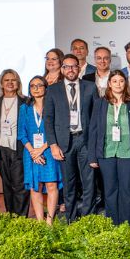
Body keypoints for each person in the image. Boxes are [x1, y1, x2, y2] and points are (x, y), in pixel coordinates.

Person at [45, 54, 97, 221]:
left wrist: (95, 143)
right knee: (69, 184)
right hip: (64, 142)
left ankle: (88, 218)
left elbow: (96, 116)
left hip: (85, 140)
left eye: (74, 66)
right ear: (62, 69)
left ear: (79, 68)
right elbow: (48, 119)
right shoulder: (53, 90)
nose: (71, 69)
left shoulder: (90, 87)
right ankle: (71, 219)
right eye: (67, 67)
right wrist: (53, 144)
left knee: (89, 182)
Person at [88, 70, 130, 225]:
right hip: (106, 152)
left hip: (128, 153)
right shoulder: (100, 103)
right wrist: (92, 156)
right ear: (109, 83)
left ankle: (129, 225)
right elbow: (93, 129)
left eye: (121, 81)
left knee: (127, 190)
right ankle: (113, 225)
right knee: (109, 191)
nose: (118, 84)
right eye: (114, 81)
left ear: (125, 83)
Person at [19, 76, 62, 224]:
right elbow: (22, 134)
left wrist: (41, 149)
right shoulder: (24, 108)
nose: (36, 88)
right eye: (32, 86)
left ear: (46, 88)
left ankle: (49, 221)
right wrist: (33, 152)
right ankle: (39, 221)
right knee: (35, 187)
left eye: (39, 85)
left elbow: (57, 130)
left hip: (49, 150)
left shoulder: (53, 106)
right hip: (31, 153)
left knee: (51, 184)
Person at [0, 69, 29, 216]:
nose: (10, 83)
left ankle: (21, 219)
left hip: (19, 148)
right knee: (7, 185)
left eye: (13, 80)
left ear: (18, 83)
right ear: (1, 83)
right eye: (6, 80)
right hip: (0, 148)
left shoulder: (26, 101)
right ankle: (11, 216)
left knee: (19, 185)